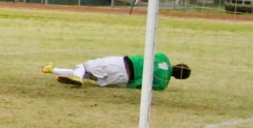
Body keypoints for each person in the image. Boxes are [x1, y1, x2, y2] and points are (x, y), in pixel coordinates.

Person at [42, 53, 191, 90]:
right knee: (88, 73)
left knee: (85, 67)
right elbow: (144, 86)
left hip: (123, 63)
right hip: (123, 79)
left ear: (177, 64)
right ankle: (51, 70)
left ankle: (77, 79)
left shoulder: (163, 57)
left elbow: (152, 55)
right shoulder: (164, 84)